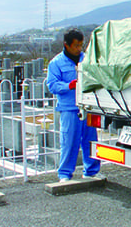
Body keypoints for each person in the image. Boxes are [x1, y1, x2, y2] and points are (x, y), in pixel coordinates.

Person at [47, 28, 101, 182]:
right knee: (69, 142)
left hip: (88, 106)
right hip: (69, 108)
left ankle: (91, 171)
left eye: (81, 45)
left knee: (90, 140)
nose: (79, 49)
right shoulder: (56, 63)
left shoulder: (86, 59)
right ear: (66, 45)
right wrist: (68, 86)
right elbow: (52, 85)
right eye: (76, 45)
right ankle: (65, 174)